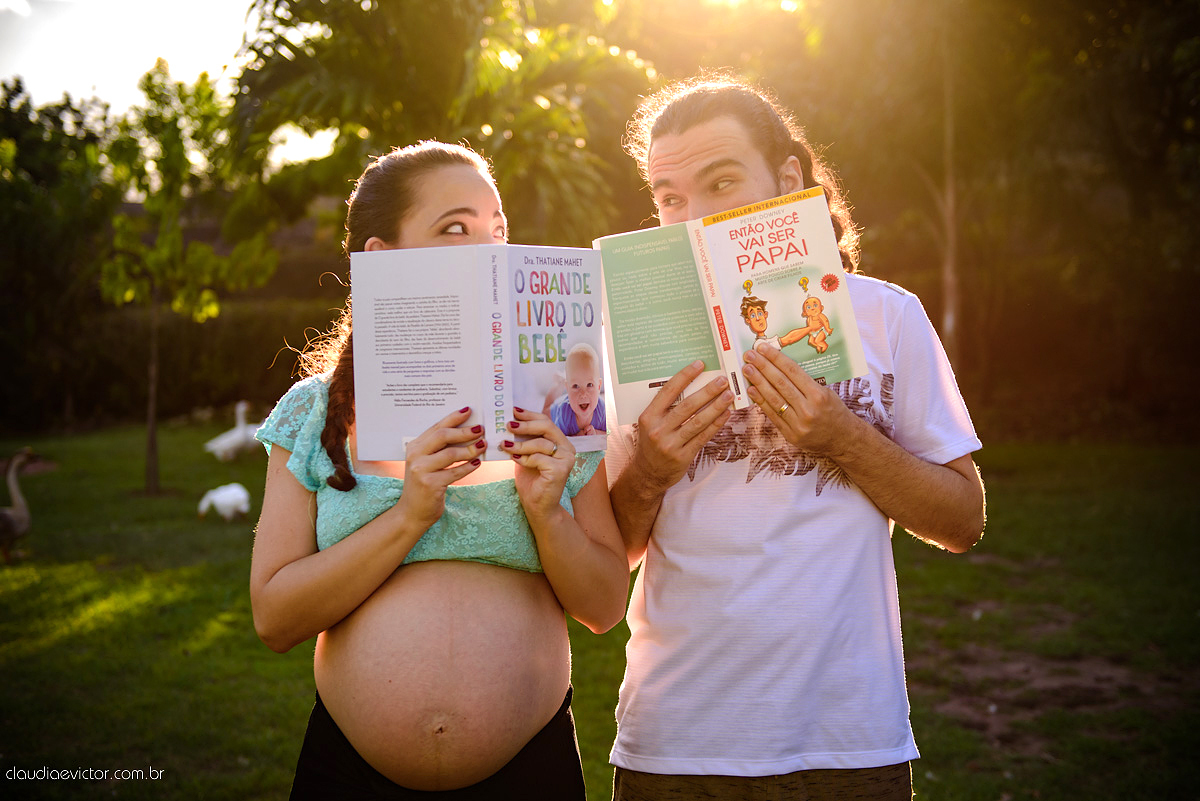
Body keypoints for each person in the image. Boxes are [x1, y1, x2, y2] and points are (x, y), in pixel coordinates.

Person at [605, 76, 987, 801]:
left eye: (721, 182)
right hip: (677, 745)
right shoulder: (628, 338)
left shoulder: (888, 317)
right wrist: (650, 470)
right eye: (670, 196)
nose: (694, 216)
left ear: (787, 181)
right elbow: (611, 558)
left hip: (847, 740)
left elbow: (963, 521)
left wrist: (843, 437)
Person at [249, 141, 629, 800]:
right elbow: (274, 617)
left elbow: (604, 607)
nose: (487, 246)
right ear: (382, 259)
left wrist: (546, 513)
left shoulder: (562, 404)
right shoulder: (313, 414)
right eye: (455, 228)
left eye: (497, 229)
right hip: (347, 772)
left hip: (529, 771)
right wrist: (408, 517)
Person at [545, 343, 607, 436]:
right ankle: (560, 384)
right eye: (576, 386)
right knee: (544, 412)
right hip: (555, 409)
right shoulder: (563, 413)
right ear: (568, 389)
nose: (583, 394)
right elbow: (558, 438)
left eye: (589, 385)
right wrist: (577, 437)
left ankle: (565, 381)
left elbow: (607, 433)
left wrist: (596, 433)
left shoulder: (601, 409)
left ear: (599, 386)